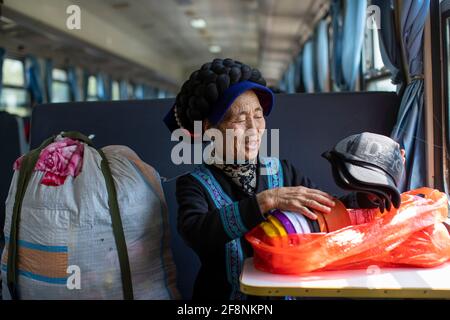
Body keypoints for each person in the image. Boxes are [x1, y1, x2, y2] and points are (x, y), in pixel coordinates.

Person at [163, 58, 398, 300]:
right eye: (241, 119)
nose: (254, 128)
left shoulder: (282, 171)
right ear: (211, 128)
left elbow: (325, 208)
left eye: (258, 115)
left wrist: (366, 198)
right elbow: (196, 233)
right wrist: (265, 201)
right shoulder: (194, 184)